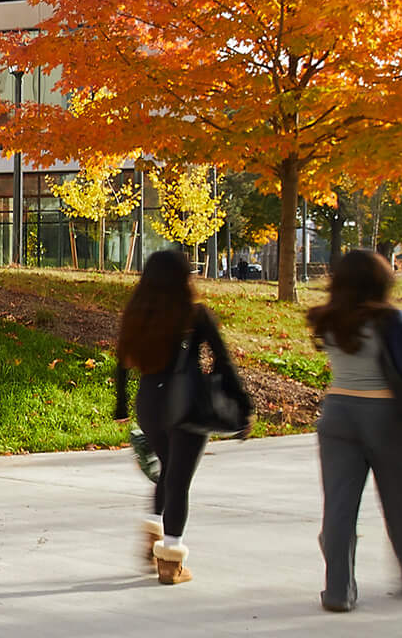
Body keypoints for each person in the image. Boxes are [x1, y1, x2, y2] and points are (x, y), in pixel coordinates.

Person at [308, 248, 402, 612]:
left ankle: (338, 590)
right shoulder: (389, 319)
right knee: (401, 503)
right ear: (380, 281)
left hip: (337, 413)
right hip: (384, 414)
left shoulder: (326, 319)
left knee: (339, 508)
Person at [113, 248, 244, 585]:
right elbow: (224, 364)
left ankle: (152, 530)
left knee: (169, 473)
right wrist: (242, 407)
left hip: (149, 403)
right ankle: (170, 560)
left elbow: (121, 360)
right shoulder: (194, 314)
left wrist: (121, 407)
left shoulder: (136, 313)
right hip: (185, 404)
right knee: (178, 480)